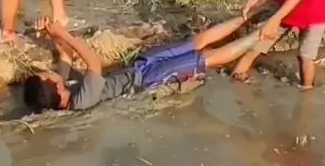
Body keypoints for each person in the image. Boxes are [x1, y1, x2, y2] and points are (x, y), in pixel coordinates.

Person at [23, 15, 264, 113]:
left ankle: (248, 15)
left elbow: (66, 56)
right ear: (54, 87)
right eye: (47, 76)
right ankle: (264, 32)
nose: (49, 72)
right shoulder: (82, 100)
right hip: (149, 80)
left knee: (195, 43)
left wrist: (53, 33)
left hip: (139, 67)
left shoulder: (64, 90)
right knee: (209, 59)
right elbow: (93, 62)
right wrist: (64, 33)